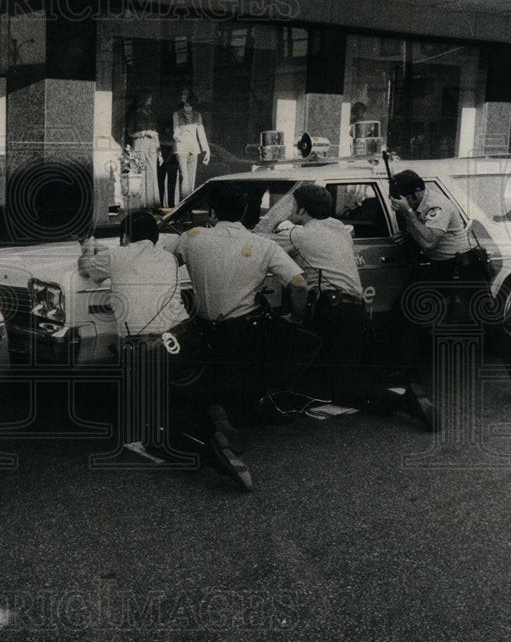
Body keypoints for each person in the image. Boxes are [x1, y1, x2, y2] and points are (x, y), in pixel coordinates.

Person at [78, 212, 252, 489]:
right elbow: (134, 258)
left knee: (148, 391)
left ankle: (160, 440)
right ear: (155, 237)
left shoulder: (116, 257)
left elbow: (87, 267)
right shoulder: (167, 258)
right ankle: (211, 434)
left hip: (145, 347)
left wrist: (88, 248)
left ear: (124, 237)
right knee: (184, 393)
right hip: (184, 336)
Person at [272, 185, 434, 428]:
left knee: (347, 389)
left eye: (293, 206)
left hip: (333, 314)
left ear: (303, 209)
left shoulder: (300, 235)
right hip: (356, 312)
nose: (291, 210)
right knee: (343, 372)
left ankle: (406, 401)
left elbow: (261, 245)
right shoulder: (340, 229)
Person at [168, 184, 320, 428]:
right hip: (245, 332)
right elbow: (299, 284)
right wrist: (297, 318)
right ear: (243, 212)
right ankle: (268, 397)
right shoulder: (263, 245)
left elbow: (165, 265)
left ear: (212, 213)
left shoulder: (191, 238)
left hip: (205, 329)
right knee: (305, 340)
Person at [388, 170, 511, 408]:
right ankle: (408, 373)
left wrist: (408, 213)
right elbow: (421, 242)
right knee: (405, 311)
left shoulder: (437, 205)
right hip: (438, 267)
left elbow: (428, 241)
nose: (403, 203)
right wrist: (406, 234)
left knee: (492, 323)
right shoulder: (416, 204)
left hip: (462, 268)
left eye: (408, 199)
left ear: (417, 192)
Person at [170, 88, 210, 209]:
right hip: (181, 148)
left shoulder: (198, 115)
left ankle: (189, 205)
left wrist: (207, 149)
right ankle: (183, 206)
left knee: (191, 178)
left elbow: (201, 133)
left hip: (193, 148)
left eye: (186, 94)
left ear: (190, 98)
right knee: (185, 177)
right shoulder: (177, 114)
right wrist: (177, 136)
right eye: (182, 93)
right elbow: (175, 130)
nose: (183, 96)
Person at [125, 91, 164, 209]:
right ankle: (139, 204)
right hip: (139, 145)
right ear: (144, 98)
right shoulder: (134, 114)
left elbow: (156, 134)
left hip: (152, 147)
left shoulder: (151, 114)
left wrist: (160, 153)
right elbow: (130, 132)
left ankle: (152, 204)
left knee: (152, 175)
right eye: (149, 97)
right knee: (140, 174)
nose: (151, 100)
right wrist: (145, 132)